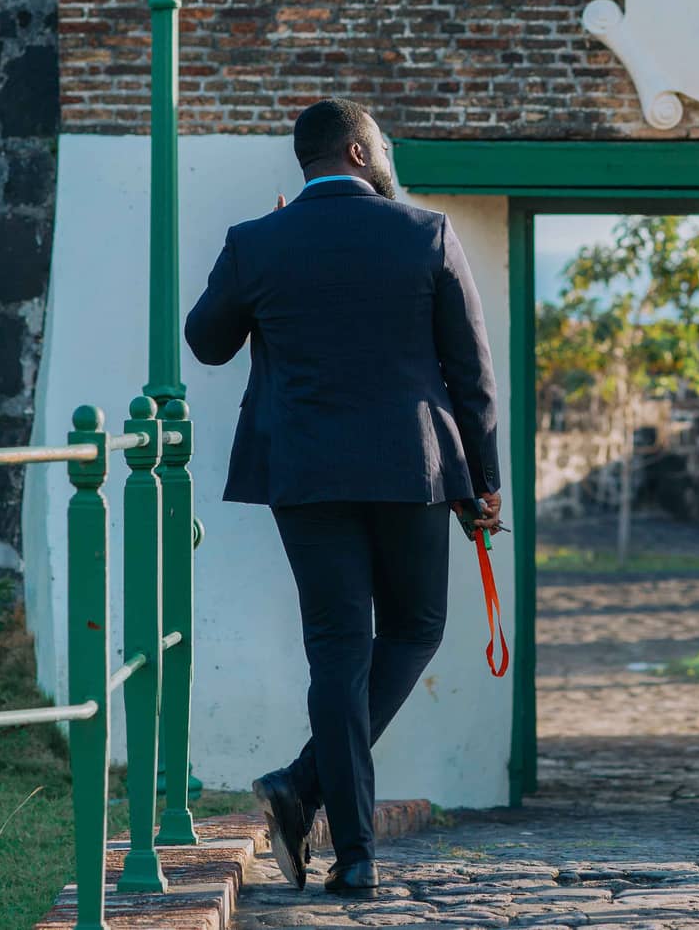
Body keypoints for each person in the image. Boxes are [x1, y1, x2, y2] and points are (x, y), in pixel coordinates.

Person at [184, 99, 502, 897]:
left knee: (337, 649)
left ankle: (352, 852)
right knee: (416, 628)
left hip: (308, 475)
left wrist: (257, 258)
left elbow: (206, 340)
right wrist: (484, 481)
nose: (390, 152)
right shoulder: (425, 231)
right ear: (359, 151)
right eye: (384, 142)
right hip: (415, 470)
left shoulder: (260, 240)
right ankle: (302, 788)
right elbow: (471, 373)